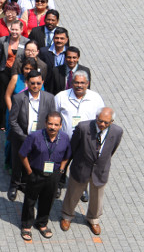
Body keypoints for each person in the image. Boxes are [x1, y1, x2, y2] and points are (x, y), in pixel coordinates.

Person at [60, 107, 123, 235]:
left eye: (106, 122)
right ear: (96, 117)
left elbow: (111, 150)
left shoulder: (117, 131)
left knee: (97, 197)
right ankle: (67, 215)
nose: (102, 124)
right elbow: (73, 147)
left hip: (100, 171)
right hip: (81, 168)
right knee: (73, 193)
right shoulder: (83, 128)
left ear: (112, 122)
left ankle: (93, 219)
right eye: (100, 121)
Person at [19, 112, 70, 241]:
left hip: (54, 174)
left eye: (56, 125)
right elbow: (22, 154)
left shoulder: (65, 138)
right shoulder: (35, 136)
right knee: (30, 200)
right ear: (45, 123)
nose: (52, 127)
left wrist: (61, 170)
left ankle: (42, 223)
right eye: (50, 124)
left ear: (60, 126)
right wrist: (29, 171)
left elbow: (67, 156)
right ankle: (26, 225)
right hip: (35, 173)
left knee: (48, 200)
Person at [54, 70, 104, 200]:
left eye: (82, 83)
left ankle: (82, 189)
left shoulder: (96, 98)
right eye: (76, 82)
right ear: (71, 83)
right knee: (61, 164)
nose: (79, 85)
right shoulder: (61, 97)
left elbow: (101, 119)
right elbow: (54, 116)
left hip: (86, 142)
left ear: (87, 83)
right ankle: (58, 184)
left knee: (83, 167)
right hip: (65, 140)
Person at [7, 70, 55, 201]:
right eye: (32, 83)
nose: (35, 86)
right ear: (27, 83)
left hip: (40, 139)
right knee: (17, 162)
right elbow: (13, 121)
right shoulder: (19, 98)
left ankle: (25, 183)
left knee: (32, 162)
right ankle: (14, 184)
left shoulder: (49, 98)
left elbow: (52, 119)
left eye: (38, 83)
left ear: (42, 82)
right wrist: (24, 137)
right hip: (21, 138)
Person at [0, 20, 29, 129]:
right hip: (4, 71)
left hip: (18, 73)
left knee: (15, 97)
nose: (14, 32)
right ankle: (0, 123)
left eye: (17, 29)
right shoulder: (3, 40)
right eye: (12, 29)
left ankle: (13, 121)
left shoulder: (26, 42)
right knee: (2, 97)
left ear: (21, 30)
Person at [0, 3, 28, 73]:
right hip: (0, 56)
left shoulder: (22, 23)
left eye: (13, 12)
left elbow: (25, 41)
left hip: (17, 58)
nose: (10, 14)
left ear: (17, 12)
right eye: (8, 12)